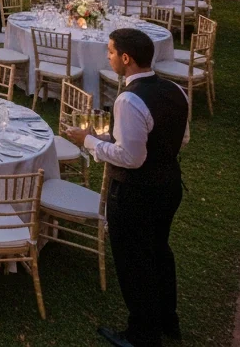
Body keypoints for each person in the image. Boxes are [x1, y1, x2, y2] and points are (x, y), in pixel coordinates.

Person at [63, 29, 189, 347]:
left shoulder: (128, 99)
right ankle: (167, 319)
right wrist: (107, 139)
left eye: (110, 52)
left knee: (134, 262)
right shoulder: (175, 90)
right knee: (160, 250)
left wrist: (88, 140)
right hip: (169, 185)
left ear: (126, 58)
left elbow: (130, 158)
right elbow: (181, 138)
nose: (108, 57)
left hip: (136, 193)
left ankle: (142, 334)